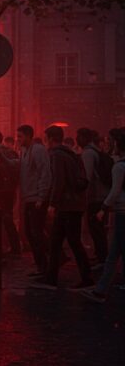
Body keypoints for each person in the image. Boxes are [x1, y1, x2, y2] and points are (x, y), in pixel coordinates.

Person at [34, 126, 93, 289]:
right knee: (56, 241)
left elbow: (58, 181)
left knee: (71, 242)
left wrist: (52, 203)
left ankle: (86, 277)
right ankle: (51, 277)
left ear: (51, 138)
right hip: (73, 204)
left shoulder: (56, 155)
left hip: (67, 205)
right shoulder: (70, 153)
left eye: (46, 138)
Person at [81, 130, 125, 302]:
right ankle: (100, 289)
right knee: (113, 253)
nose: (108, 144)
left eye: (111, 141)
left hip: (121, 211)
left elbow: (115, 191)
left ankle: (100, 290)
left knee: (115, 252)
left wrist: (103, 208)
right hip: (121, 211)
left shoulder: (119, 167)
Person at [16, 125, 52, 276]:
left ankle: (44, 265)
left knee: (35, 233)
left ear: (28, 136)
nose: (18, 139)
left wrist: (41, 196)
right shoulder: (24, 151)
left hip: (36, 198)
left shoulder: (38, 150)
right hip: (29, 197)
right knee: (31, 233)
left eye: (20, 136)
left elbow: (45, 173)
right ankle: (43, 263)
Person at [78, 128, 111, 267]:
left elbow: (87, 177)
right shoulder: (96, 151)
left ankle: (102, 258)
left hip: (95, 196)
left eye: (79, 136)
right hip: (101, 195)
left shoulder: (88, 153)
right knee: (98, 228)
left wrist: (82, 195)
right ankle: (100, 255)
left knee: (96, 229)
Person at [0, 130, 21, 255]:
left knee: (4, 219)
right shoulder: (11, 152)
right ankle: (13, 246)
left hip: (2, 190)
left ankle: (10, 247)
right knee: (7, 219)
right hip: (9, 190)